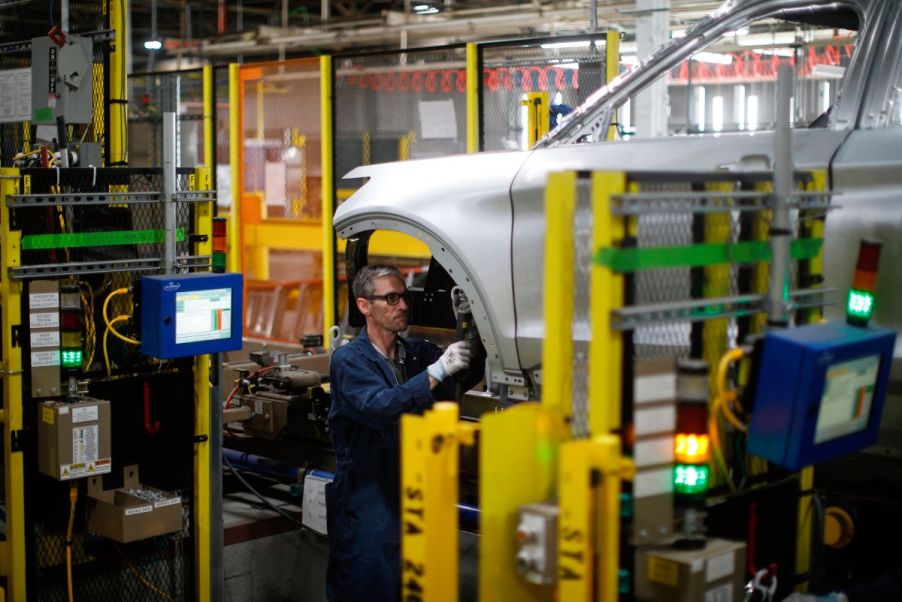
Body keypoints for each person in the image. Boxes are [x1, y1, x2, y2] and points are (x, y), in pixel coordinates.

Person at [325, 264, 484, 602]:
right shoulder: (349, 361)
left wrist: (472, 327)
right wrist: (438, 370)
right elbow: (380, 407)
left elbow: (461, 377)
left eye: (404, 298)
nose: (402, 306)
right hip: (369, 504)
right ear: (364, 305)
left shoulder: (417, 353)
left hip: (414, 497)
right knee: (367, 589)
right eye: (391, 298)